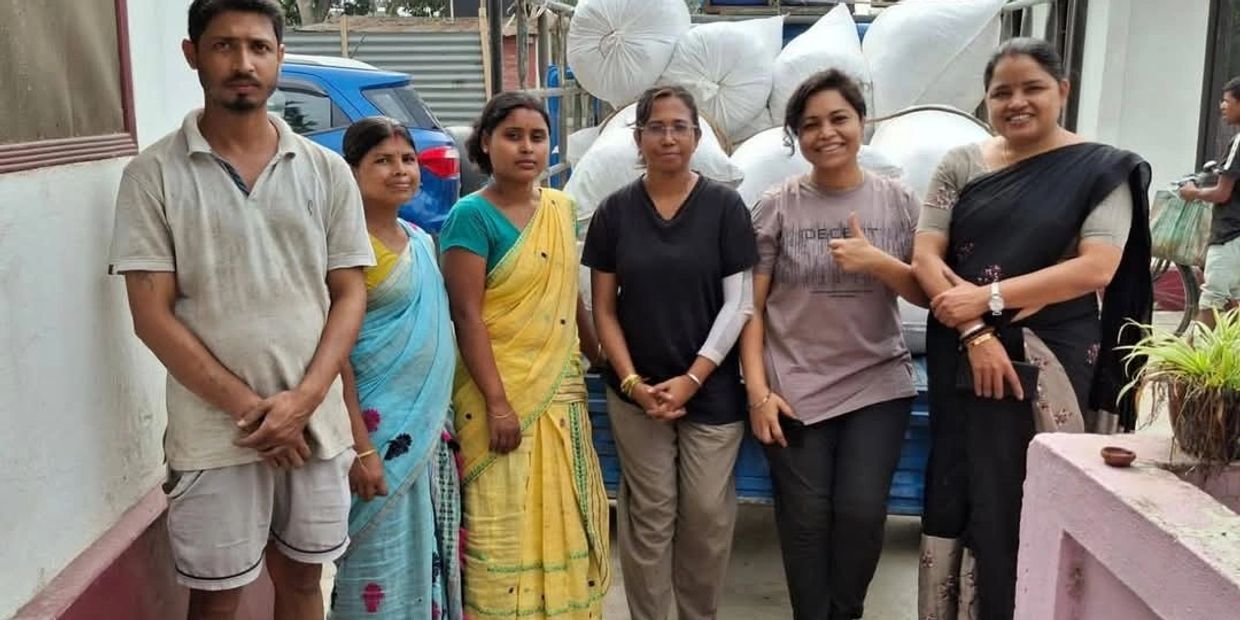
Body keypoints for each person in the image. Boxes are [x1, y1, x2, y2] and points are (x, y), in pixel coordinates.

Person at [108, 1, 374, 618]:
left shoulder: (326, 171)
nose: (243, 63)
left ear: (280, 56)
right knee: (217, 598)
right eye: (224, 45)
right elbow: (151, 316)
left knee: (303, 583)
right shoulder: (152, 175)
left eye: (258, 47)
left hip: (315, 429)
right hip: (214, 435)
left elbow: (349, 293)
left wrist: (302, 403)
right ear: (192, 55)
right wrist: (254, 414)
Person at [911, 38, 1152, 619]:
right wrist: (976, 330)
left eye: (1032, 88)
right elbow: (925, 257)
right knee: (967, 486)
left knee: (1034, 492)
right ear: (987, 100)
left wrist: (987, 297)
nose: (1016, 102)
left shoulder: (1102, 170)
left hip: (1054, 359)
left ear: (1062, 90)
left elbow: (1095, 268)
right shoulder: (961, 163)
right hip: (963, 355)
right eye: (1002, 93)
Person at [738, 70, 928, 620]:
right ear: (797, 136)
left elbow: (928, 293)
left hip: (877, 381)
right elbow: (750, 307)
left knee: (862, 513)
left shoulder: (899, 202)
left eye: (839, 119)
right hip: (794, 385)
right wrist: (758, 393)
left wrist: (879, 263)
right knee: (804, 519)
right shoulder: (778, 206)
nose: (826, 133)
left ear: (862, 122)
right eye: (811, 124)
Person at [581, 85, 758, 620]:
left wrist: (694, 378)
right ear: (638, 138)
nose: (668, 138)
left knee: (706, 513)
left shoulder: (725, 207)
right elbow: (603, 309)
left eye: (679, 127)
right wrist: (632, 382)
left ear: (696, 137)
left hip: (711, 387)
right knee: (650, 514)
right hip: (637, 392)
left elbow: (739, 304)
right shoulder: (615, 212)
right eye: (655, 127)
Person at [438, 92, 611, 620]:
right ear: (485, 144)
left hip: (560, 391)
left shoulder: (561, 209)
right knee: (501, 520)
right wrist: (498, 404)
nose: (527, 148)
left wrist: (597, 351)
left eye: (537, 137)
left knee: (567, 513)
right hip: (498, 396)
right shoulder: (470, 216)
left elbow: (568, 293)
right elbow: (466, 315)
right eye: (512, 136)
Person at [328, 117, 463, 620]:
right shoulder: (344, 249)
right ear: (352, 171)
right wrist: (360, 446)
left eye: (408, 159)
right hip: (376, 435)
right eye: (382, 161)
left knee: (428, 554)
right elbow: (335, 356)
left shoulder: (421, 240)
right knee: (375, 561)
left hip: (427, 431)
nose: (401, 170)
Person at [1178, 76, 1240, 327]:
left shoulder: (1239, 142)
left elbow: (1222, 193)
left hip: (1230, 234)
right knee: (1234, 302)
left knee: (1212, 299)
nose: (1222, 106)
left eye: (1227, 101)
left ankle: (1195, 351)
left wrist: (1193, 193)